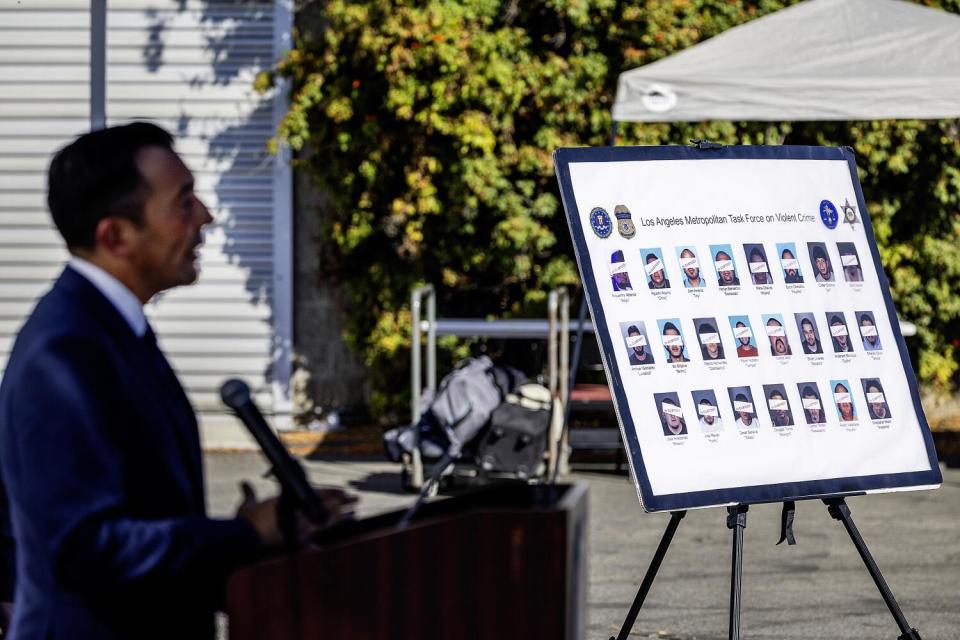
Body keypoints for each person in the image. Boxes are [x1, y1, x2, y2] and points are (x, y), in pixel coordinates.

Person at [0, 123, 355, 639]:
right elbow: (84, 548)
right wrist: (242, 535)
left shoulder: (116, 329)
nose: (205, 218)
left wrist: (249, 539)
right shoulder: (65, 351)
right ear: (115, 236)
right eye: (183, 203)